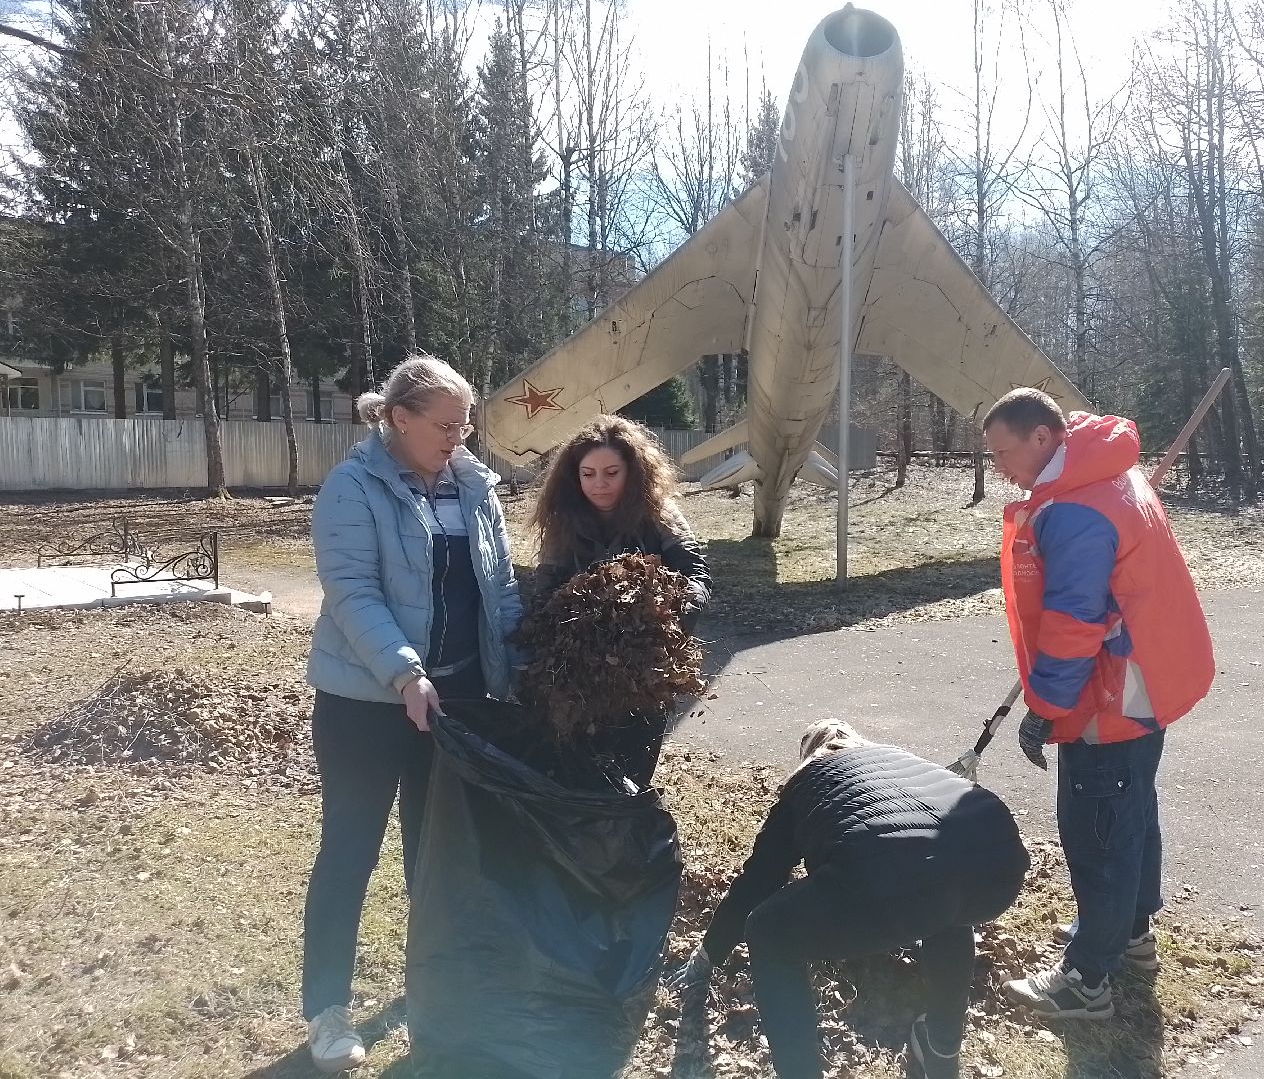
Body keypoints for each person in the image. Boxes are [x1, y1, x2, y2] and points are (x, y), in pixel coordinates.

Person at [302, 354, 522, 1073]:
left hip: (454, 705)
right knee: (351, 852)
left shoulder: (473, 486)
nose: (459, 436)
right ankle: (329, 1011)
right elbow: (352, 592)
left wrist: (516, 667)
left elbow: (499, 588)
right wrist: (404, 674)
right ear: (399, 419)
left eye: (466, 424)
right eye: (446, 423)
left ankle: (435, 988)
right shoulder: (352, 488)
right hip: (366, 705)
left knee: (438, 858)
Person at [980, 387, 1214, 1021]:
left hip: (1113, 691)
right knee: (1131, 809)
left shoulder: (1079, 511)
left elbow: (1073, 621)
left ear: (1043, 438)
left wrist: (1047, 708)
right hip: (1150, 679)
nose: (998, 465)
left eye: (1003, 452)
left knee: (1099, 830)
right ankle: (1129, 934)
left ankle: (1087, 982)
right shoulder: (1104, 471)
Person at [666, 720, 1030, 1079]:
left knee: (766, 929)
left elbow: (759, 881)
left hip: (898, 870)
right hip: (998, 860)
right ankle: (941, 1047)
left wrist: (707, 956)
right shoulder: (892, 756)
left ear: (807, 755)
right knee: (948, 902)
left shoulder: (806, 782)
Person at [528, 414, 711, 784]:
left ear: (634, 471)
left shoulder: (659, 514)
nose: (600, 485)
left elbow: (697, 575)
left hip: (646, 670)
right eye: (588, 474)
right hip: (581, 672)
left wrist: (669, 621)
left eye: (612, 472)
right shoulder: (564, 521)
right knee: (583, 771)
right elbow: (545, 589)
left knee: (634, 771)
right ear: (573, 476)